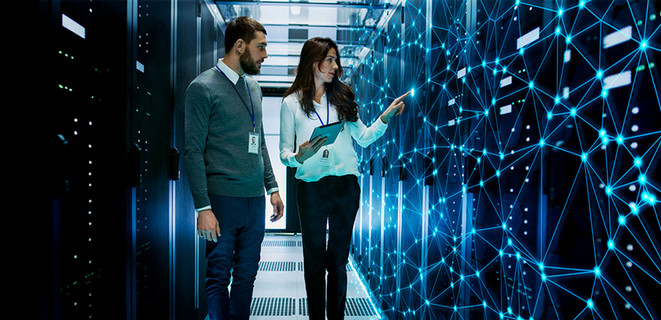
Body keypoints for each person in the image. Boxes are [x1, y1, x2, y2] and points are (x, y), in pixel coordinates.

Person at [279, 37, 409, 320]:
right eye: (330, 60)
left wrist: (384, 117)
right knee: (313, 262)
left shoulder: (342, 98)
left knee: (337, 263)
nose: (335, 66)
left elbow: (363, 138)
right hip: (310, 189)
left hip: (345, 188)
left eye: (336, 60)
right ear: (313, 62)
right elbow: (283, 153)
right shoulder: (290, 104)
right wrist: (298, 157)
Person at [184, 16, 284, 320]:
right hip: (222, 201)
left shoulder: (254, 88)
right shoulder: (202, 88)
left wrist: (273, 188)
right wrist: (203, 208)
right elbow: (192, 152)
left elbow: (261, 142)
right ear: (239, 46)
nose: (265, 55)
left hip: (255, 201)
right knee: (217, 276)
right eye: (261, 47)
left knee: (246, 277)